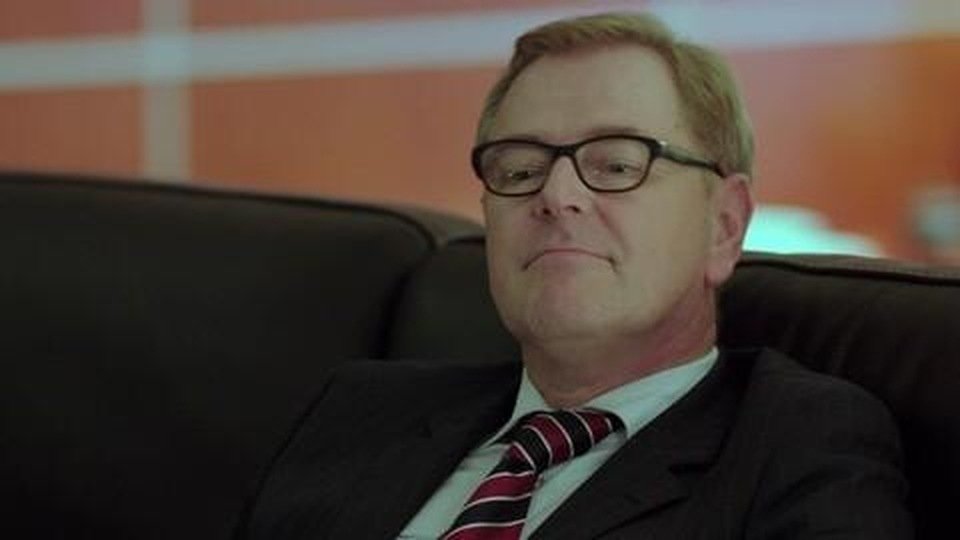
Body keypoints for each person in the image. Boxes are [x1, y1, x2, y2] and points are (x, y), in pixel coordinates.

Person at [238, 12, 912, 539]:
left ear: (724, 226)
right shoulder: (362, 411)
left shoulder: (795, 442)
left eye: (616, 164)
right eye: (520, 169)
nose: (556, 196)